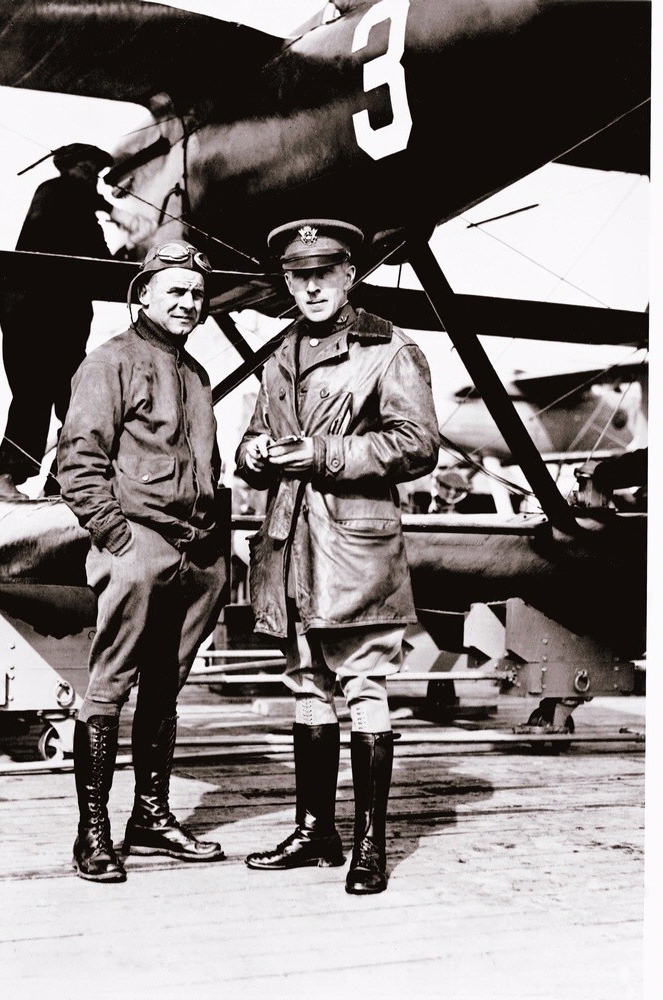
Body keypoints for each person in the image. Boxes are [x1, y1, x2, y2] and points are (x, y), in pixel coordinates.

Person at [235, 219, 439, 895]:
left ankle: (370, 845)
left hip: (353, 547)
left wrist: (322, 453)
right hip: (290, 544)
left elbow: (415, 445)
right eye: (300, 275)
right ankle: (314, 830)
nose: (313, 285)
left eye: (325, 272)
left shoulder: (387, 348)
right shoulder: (278, 353)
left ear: (350, 274)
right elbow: (251, 438)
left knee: (363, 687)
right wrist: (253, 456)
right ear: (287, 282)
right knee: (306, 685)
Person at [57, 241, 228, 882]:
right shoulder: (109, 362)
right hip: (139, 543)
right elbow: (78, 459)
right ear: (143, 295)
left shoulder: (196, 373)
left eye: (196, 294)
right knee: (109, 687)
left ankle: (151, 818)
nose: (187, 302)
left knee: (166, 685)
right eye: (174, 291)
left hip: (198, 551)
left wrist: (215, 547)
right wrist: (117, 537)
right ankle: (93, 832)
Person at [0, 143, 116, 502]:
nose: (93, 180)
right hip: (35, 316)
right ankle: (6, 476)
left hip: (61, 323)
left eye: (95, 174)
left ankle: (63, 479)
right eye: (88, 171)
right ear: (68, 168)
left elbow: (102, 262)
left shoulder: (77, 208)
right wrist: (110, 211)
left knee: (78, 401)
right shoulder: (55, 193)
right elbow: (77, 239)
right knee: (34, 395)